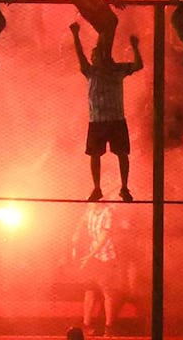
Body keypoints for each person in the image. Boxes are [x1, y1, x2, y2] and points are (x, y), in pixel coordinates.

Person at [70, 22, 142, 202]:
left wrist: (135, 47)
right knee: (95, 155)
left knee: (122, 154)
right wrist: (76, 35)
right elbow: (80, 55)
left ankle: (124, 188)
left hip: (115, 119)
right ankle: (97, 188)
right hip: (98, 120)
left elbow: (138, 65)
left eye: (98, 55)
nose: (94, 57)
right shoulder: (90, 72)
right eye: (94, 55)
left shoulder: (116, 70)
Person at [73, 202, 123, 337]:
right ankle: (86, 325)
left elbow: (103, 238)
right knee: (89, 291)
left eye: (92, 200)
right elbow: (81, 221)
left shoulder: (108, 213)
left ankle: (109, 328)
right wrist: (76, 236)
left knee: (107, 292)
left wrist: (88, 257)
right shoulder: (90, 210)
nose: (89, 202)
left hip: (106, 257)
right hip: (92, 257)